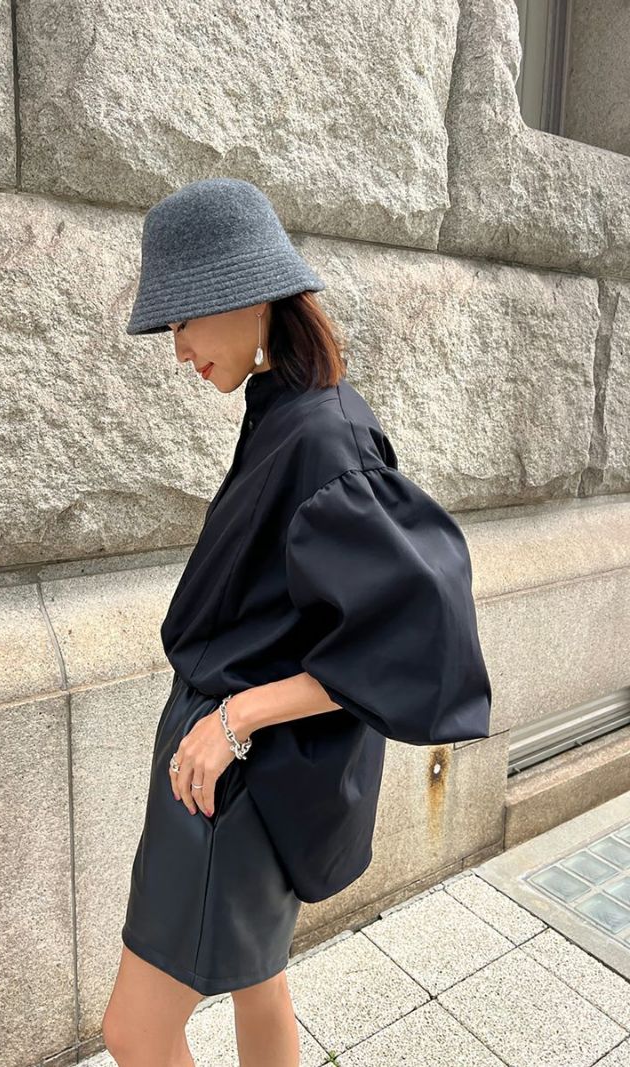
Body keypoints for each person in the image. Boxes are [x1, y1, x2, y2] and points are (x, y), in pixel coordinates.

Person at [101, 177, 492, 1067]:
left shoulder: (322, 438)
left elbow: (413, 636)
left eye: (183, 319)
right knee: (260, 983)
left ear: (248, 297)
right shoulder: (285, 412)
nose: (178, 348)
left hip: (234, 777)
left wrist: (235, 719)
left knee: (135, 1030)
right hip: (241, 769)